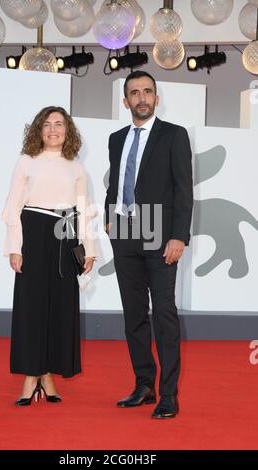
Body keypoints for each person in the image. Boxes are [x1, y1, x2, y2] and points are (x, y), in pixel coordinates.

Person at [104, 71, 193, 419]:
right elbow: (117, 181)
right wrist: (111, 216)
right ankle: (144, 384)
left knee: (165, 315)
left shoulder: (174, 135)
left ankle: (168, 395)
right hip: (124, 234)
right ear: (125, 101)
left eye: (147, 92)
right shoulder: (116, 138)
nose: (141, 98)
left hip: (160, 234)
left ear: (157, 98)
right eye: (134, 93)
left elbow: (183, 189)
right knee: (134, 315)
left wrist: (179, 236)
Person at [2, 106, 97, 405]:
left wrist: (89, 250)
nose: (53, 129)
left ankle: (49, 375)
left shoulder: (76, 168)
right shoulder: (26, 162)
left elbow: (84, 212)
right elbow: (13, 209)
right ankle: (32, 376)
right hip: (33, 233)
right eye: (47, 124)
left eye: (59, 124)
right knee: (31, 309)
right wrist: (14, 247)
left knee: (61, 308)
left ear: (68, 131)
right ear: (38, 130)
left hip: (66, 235)